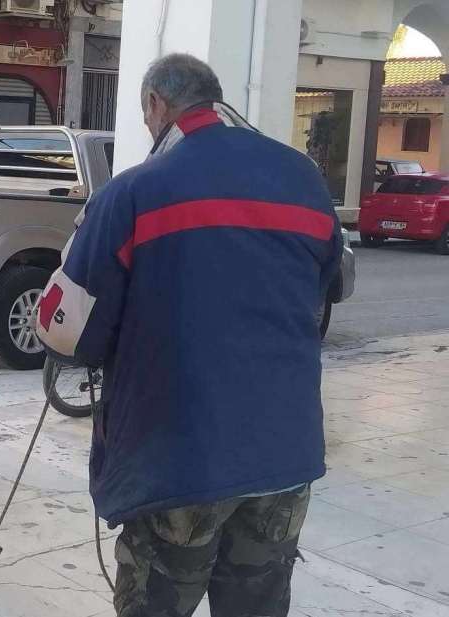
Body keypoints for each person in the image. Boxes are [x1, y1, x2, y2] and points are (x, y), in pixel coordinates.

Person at [36, 54, 343, 617]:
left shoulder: (132, 193)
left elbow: (65, 334)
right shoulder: (304, 179)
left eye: (145, 114)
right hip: (283, 454)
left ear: (156, 105)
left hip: (178, 460)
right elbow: (327, 284)